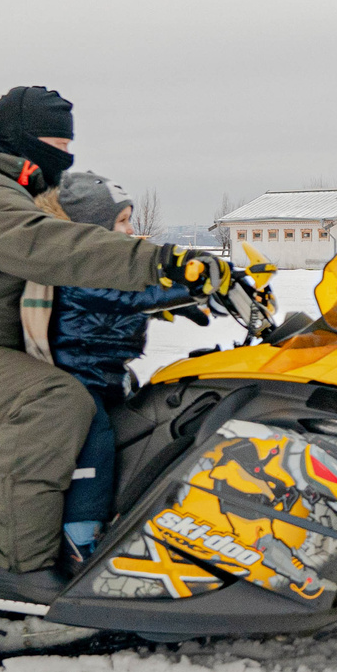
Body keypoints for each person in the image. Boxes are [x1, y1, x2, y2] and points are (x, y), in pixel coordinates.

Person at [0, 87, 230, 604]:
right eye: (52, 141)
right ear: (21, 142)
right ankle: (19, 567)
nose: (62, 155)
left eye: (69, 143)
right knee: (54, 401)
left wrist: (171, 296)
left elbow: (63, 287)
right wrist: (158, 262)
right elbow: (51, 247)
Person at [40, 171, 200, 558]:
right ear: (95, 228)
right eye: (122, 221)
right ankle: (81, 536)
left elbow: (114, 309)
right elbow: (128, 296)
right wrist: (193, 286)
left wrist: (182, 306)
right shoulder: (81, 265)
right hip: (77, 376)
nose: (131, 231)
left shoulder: (101, 265)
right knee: (96, 440)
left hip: (106, 373)